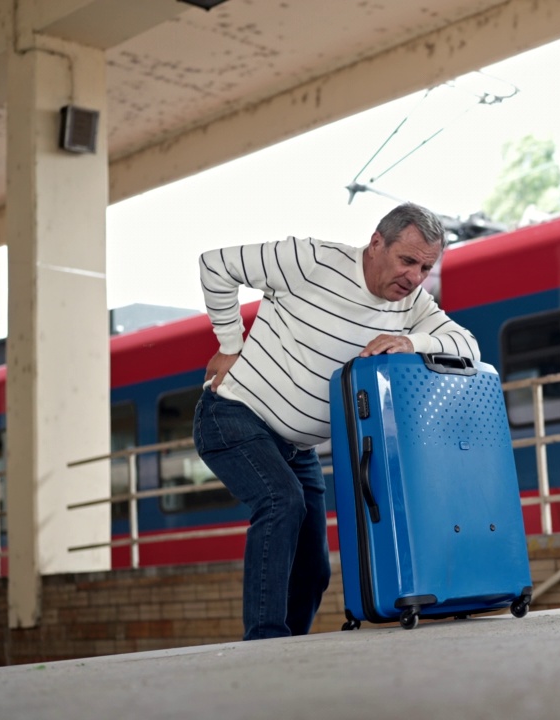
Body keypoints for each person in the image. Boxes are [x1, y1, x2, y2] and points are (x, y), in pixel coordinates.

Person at [192, 202, 479, 640]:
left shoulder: (413, 305)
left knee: (313, 568)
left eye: (426, 267)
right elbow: (216, 265)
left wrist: (411, 341)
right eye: (407, 261)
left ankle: (290, 653)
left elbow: (468, 346)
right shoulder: (311, 260)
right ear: (376, 242)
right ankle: (264, 645)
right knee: (281, 501)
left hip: (297, 448)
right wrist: (230, 343)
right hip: (232, 416)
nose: (415, 278)